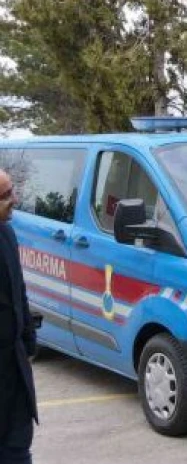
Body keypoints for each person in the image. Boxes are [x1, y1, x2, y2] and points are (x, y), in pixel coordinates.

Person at [0, 169, 36, 464]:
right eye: (6, 195)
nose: (15, 199)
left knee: (18, 447)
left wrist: (28, 339)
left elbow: (17, 287)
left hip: (14, 365)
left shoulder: (7, 233)